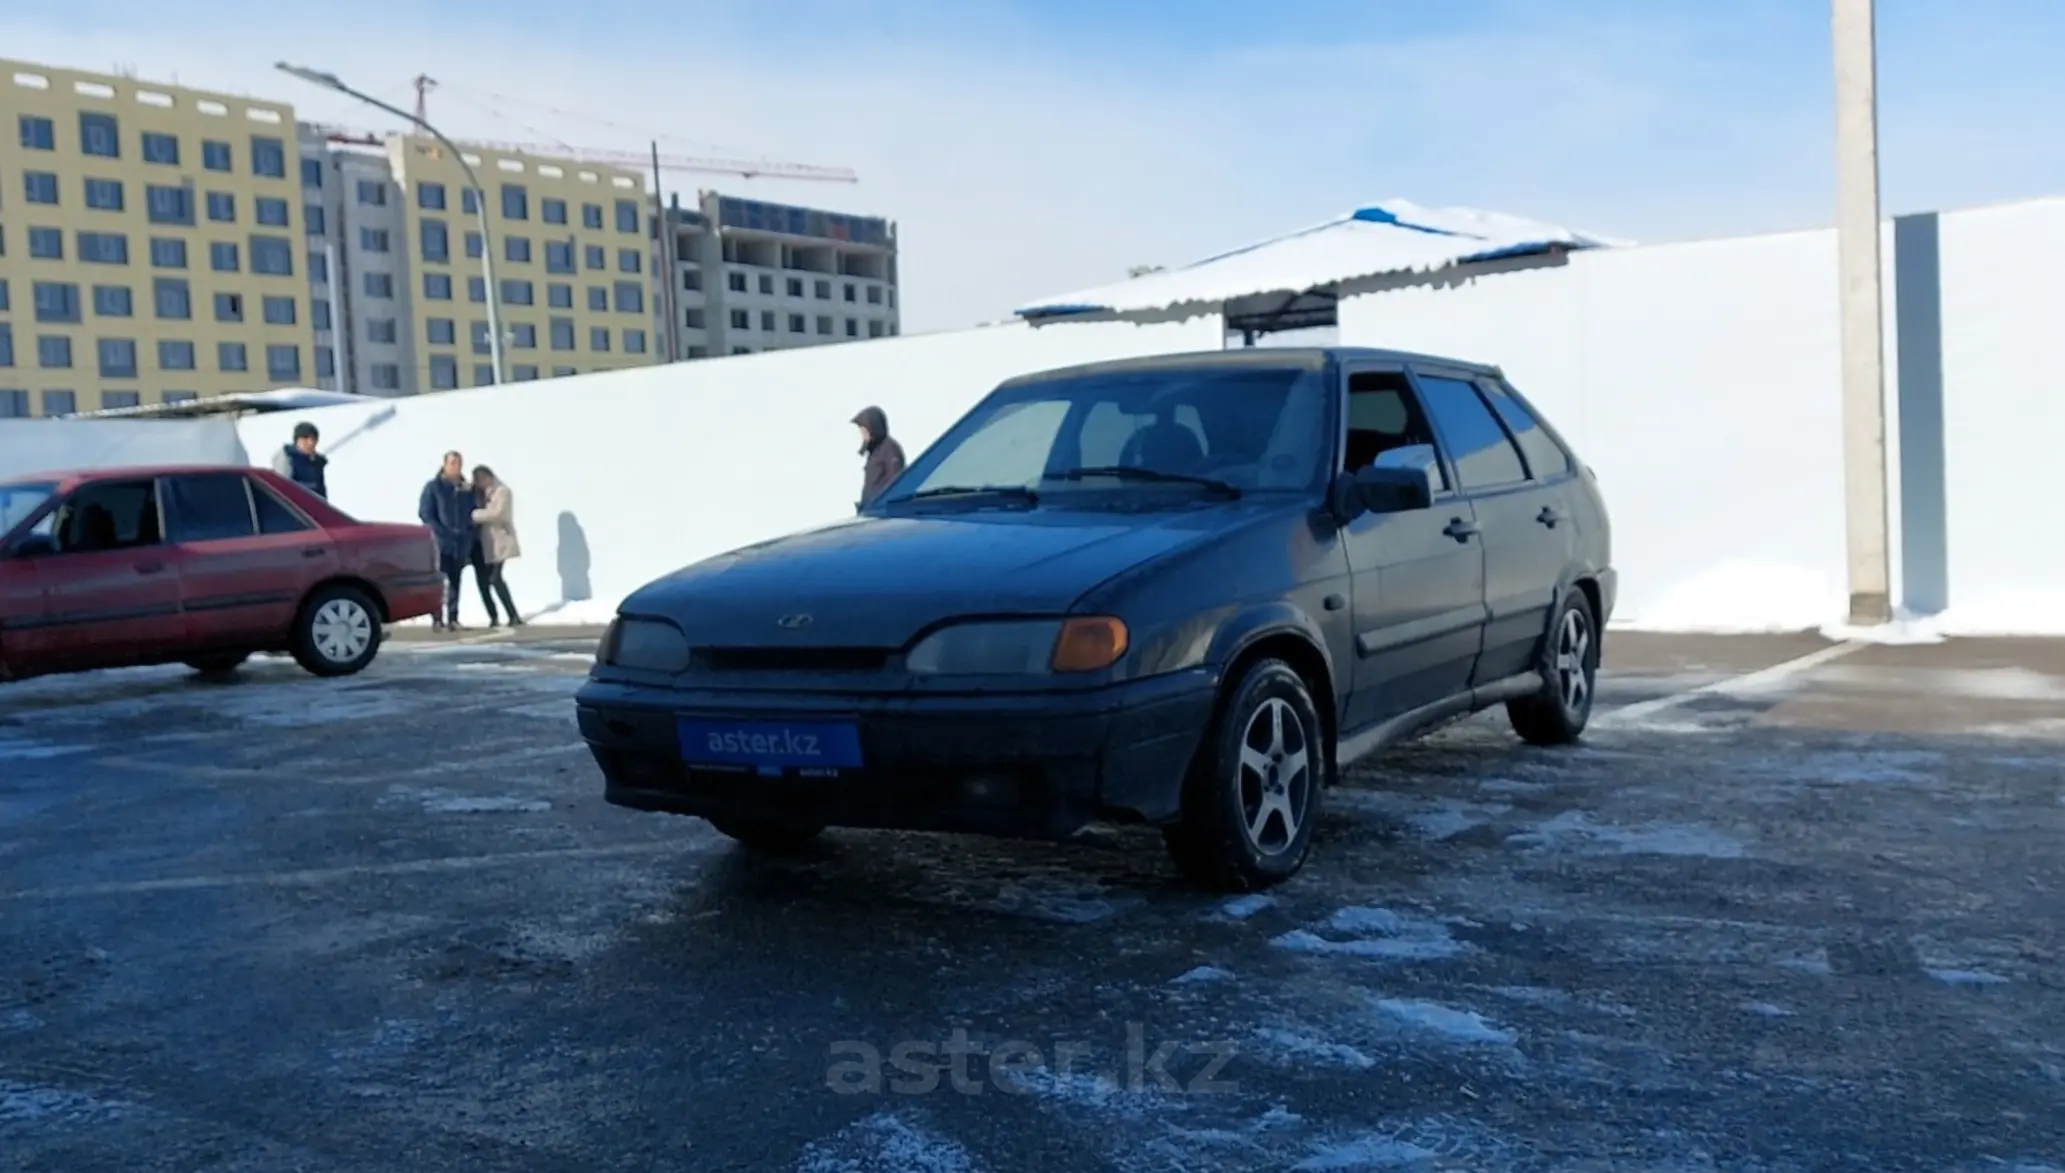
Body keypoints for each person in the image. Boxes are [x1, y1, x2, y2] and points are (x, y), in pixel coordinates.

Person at [417, 451, 477, 631]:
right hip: (440, 542)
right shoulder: (434, 487)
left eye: (458, 463)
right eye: (452, 463)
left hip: (460, 543)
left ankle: (453, 617)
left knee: (456, 581)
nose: (455, 466)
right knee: (439, 582)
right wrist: (440, 532)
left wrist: (468, 534)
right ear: (444, 465)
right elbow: (425, 513)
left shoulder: (465, 489)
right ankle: (437, 618)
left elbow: (472, 512)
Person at [469, 465, 523, 629]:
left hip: (500, 541)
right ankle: (494, 616)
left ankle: (513, 614)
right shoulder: (480, 493)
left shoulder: (502, 492)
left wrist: (474, 515)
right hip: (485, 543)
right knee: (484, 581)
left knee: (496, 578)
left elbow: (498, 513)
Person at [853, 405, 906, 509]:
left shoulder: (890, 450)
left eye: (864, 431)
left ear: (874, 429)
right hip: (872, 510)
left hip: (884, 512)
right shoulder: (874, 451)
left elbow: (895, 483)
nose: (863, 435)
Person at [271, 422, 329, 498]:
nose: (310, 442)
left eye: (313, 439)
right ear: (297, 440)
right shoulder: (287, 459)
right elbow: (281, 491)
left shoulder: (317, 463)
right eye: (305, 438)